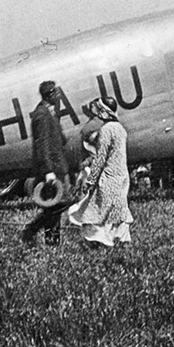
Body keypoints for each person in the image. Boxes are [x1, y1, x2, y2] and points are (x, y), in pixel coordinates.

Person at [67, 96, 134, 249]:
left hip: (109, 175)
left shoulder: (105, 131)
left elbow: (100, 157)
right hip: (122, 174)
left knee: (94, 209)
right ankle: (124, 241)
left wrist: (90, 180)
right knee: (119, 208)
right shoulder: (119, 128)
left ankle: (96, 241)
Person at [23, 81, 71, 246]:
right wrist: (48, 170)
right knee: (56, 205)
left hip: (57, 164)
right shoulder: (42, 114)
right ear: (50, 95)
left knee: (57, 205)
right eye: (56, 93)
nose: (58, 95)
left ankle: (51, 239)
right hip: (52, 168)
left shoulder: (49, 112)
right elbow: (41, 145)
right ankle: (35, 231)